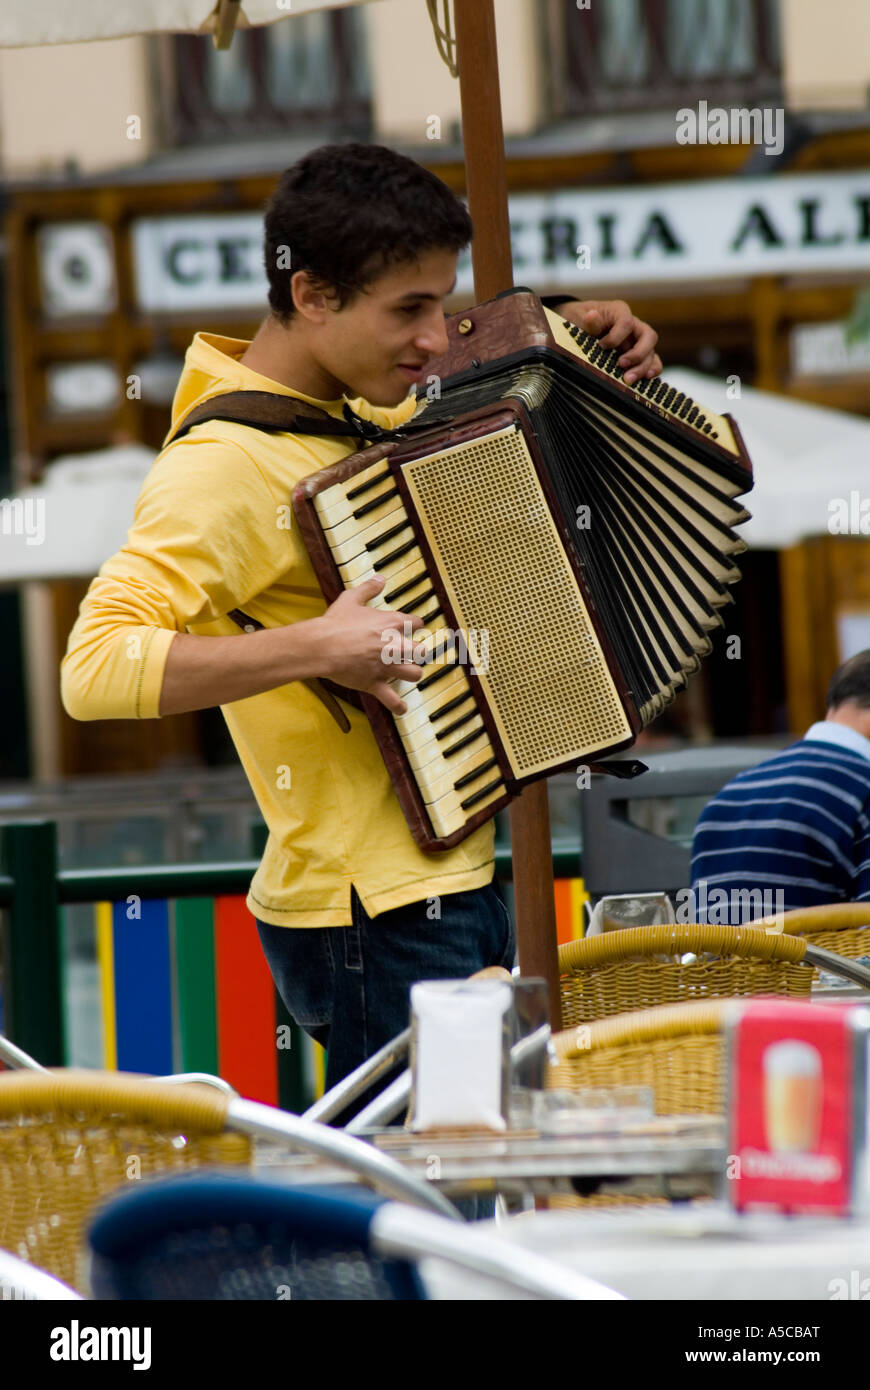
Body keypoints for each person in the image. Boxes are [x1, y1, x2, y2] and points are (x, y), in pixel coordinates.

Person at [61, 143, 663, 1091]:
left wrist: (578, 332)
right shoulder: (222, 466)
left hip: (447, 880)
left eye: (443, 302)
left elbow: (486, 369)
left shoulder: (357, 408)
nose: (435, 336)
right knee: (424, 1214)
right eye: (408, 310)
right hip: (367, 916)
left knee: (471, 1192)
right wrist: (317, 645)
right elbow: (93, 670)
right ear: (312, 297)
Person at [690, 650, 870, 922]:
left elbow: (706, 944)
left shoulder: (725, 800)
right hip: (819, 964)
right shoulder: (863, 790)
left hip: (720, 966)